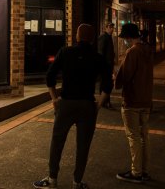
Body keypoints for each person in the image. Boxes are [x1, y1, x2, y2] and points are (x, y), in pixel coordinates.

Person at [34, 24, 112, 189]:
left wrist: (54, 98)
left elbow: (50, 76)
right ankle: (77, 181)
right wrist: (100, 102)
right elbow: (107, 82)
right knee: (83, 145)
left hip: (66, 104)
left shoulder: (65, 52)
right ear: (92, 39)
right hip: (87, 105)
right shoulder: (97, 57)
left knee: (57, 141)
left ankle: (52, 178)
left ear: (77, 36)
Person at [114, 23, 154, 184]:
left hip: (132, 100)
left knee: (133, 137)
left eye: (124, 38)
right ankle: (144, 170)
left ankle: (136, 172)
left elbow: (125, 75)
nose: (124, 41)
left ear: (129, 37)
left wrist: (116, 77)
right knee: (144, 136)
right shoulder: (147, 50)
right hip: (146, 99)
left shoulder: (133, 52)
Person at [97, 22, 115, 108]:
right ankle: (104, 102)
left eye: (113, 28)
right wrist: (102, 65)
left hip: (109, 65)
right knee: (105, 84)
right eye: (110, 27)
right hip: (105, 66)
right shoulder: (103, 37)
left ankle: (106, 101)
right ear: (106, 28)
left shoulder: (109, 37)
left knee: (107, 84)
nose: (112, 29)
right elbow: (101, 52)